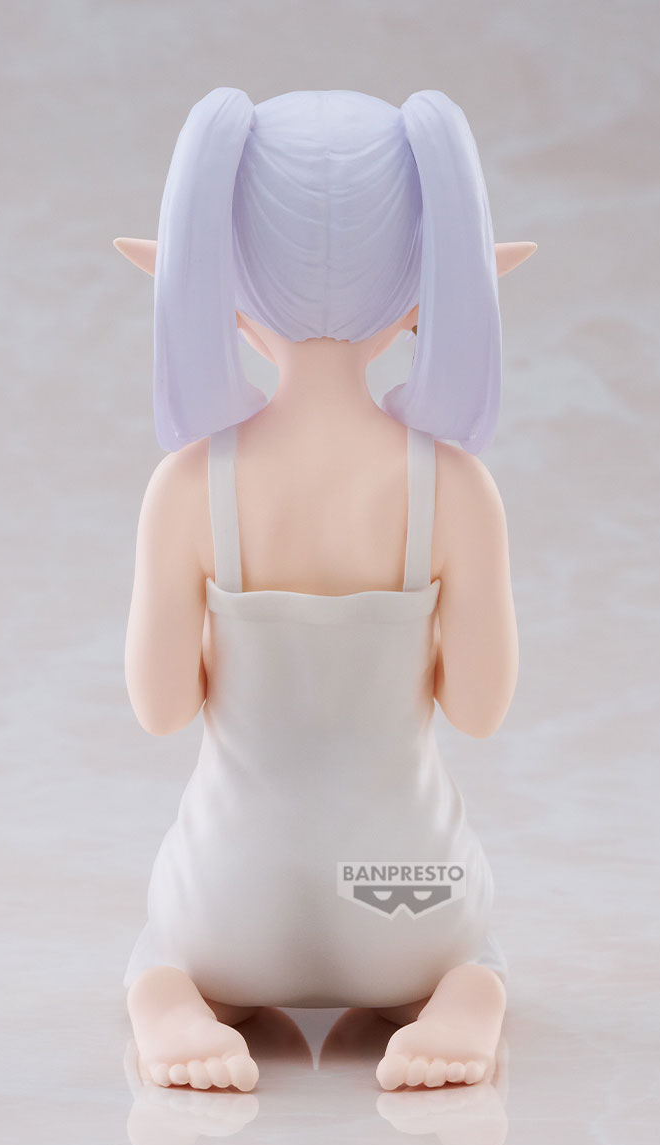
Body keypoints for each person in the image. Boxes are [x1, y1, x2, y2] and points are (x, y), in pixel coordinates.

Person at [114, 87, 535, 1092]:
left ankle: (166, 997)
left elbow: (160, 708)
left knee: (164, 948)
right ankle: (467, 988)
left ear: (210, 272)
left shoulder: (188, 486)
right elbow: (481, 711)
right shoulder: (456, 487)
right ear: (431, 281)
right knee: (467, 940)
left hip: (230, 901)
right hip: (405, 897)